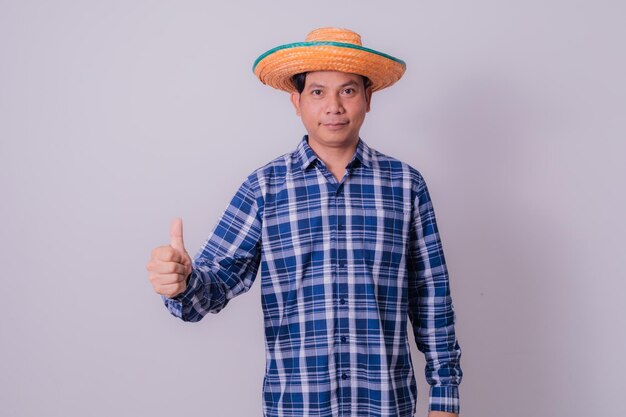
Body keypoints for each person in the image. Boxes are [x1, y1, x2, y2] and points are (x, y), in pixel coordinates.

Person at [146, 27, 462, 417]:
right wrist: (182, 283)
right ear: (296, 102)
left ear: (368, 98)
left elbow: (430, 294)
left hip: (385, 403)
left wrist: (445, 395)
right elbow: (212, 286)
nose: (333, 106)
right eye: (317, 92)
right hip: (297, 406)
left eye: (347, 90)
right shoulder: (264, 187)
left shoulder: (405, 185)